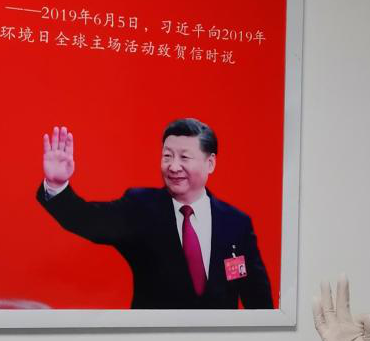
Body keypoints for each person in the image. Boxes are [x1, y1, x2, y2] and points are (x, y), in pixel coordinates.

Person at [36, 117, 273, 310]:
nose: (173, 166)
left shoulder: (235, 223)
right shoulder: (141, 208)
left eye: (184, 157)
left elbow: (257, 297)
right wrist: (57, 185)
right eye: (167, 156)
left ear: (210, 163)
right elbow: (89, 220)